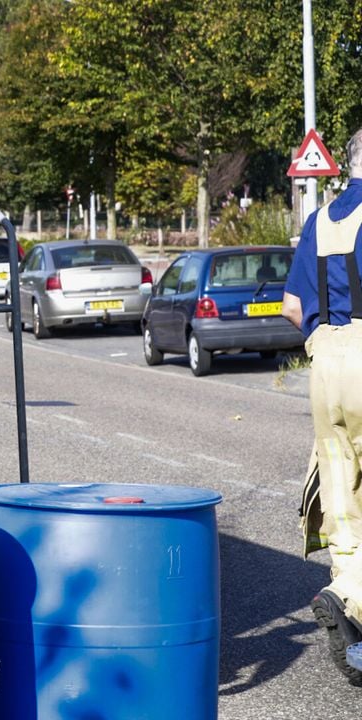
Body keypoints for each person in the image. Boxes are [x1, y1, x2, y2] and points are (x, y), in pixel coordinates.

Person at [283, 126, 362, 684]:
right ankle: (350, 606)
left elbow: (292, 306)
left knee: (342, 497)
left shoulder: (321, 220)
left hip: (324, 363)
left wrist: (321, 337)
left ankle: (347, 603)